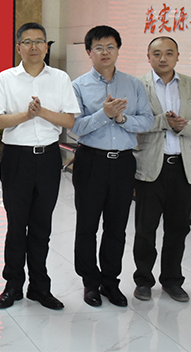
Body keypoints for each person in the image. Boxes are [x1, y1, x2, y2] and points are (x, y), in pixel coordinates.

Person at [0, 23, 80, 310]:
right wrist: (26, 116)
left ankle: (40, 287)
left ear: (46, 46)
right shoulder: (5, 78)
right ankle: (13, 285)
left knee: (42, 226)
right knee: (17, 226)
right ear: (18, 47)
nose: (33, 47)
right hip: (17, 158)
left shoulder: (60, 78)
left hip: (48, 158)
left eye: (39, 41)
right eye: (27, 42)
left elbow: (69, 120)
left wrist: (41, 112)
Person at [71, 25, 153, 308]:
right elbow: (74, 127)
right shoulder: (78, 86)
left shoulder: (133, 84)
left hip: (123, 163)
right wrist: (104, 114)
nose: (105, 52)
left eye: (110, 47)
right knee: (87, 225)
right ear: (88, 52)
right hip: (90, 161)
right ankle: (89, 282)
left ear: (118, 50)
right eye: (98, 47)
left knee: (117, 226)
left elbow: (147, 121)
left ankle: (110, 281)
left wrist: (121, 119)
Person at [132, 36, 191, 303]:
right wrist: (164, 122)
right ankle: (143, 280)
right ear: (148, 57)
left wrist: (185, 126)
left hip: (182, 167)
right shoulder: (138, 86)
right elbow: (133, 122)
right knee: (145, 229)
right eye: (157, 53)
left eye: (169, 53)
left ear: (178, 56)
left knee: (178, 228)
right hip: (150, 167)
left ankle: (172, 281)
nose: (163, 58)